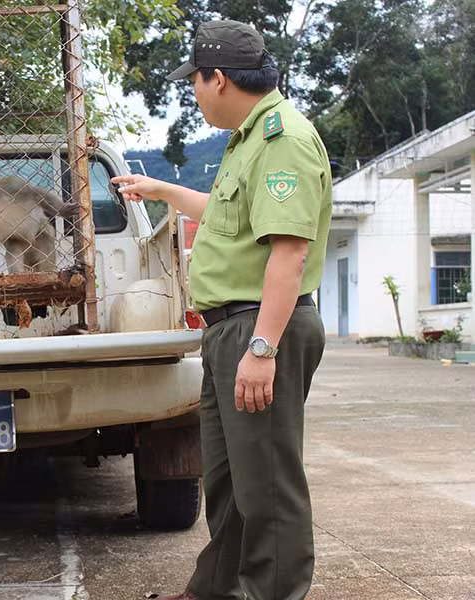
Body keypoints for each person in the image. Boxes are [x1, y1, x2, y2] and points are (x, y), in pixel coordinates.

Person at [112, 19, 332, 600]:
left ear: (220, 79)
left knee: (269, 485)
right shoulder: (248, 139)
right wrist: (159, 190)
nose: (194, 92)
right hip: (229, 330)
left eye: (196, 81)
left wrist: (263, 349)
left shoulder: (282, 138)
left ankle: (272, 591)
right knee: (230, 480)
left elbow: (289, 250)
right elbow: (222, 208)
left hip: (258, 327)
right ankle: (214, 590)